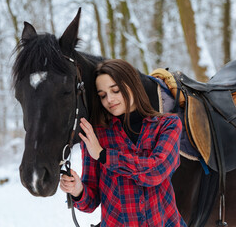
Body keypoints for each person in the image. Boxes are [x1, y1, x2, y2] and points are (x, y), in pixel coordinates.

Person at [60, 59, 186, 227]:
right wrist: (77, 190)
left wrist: (103, 155)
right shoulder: (96, 135)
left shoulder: (168, 125)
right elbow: (90, 203)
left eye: (116, 90)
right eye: (102, 95)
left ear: (133, 85)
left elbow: (156, 171)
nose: (109, 99)